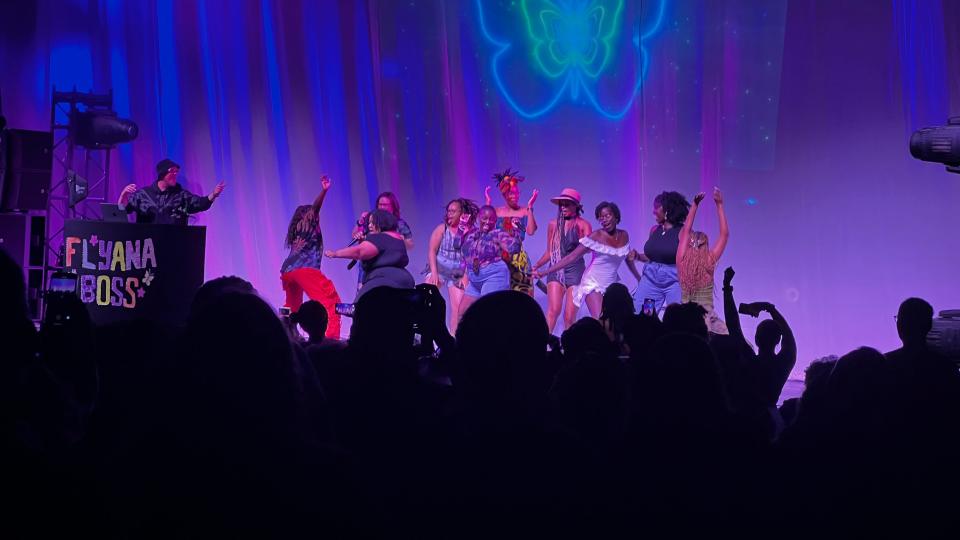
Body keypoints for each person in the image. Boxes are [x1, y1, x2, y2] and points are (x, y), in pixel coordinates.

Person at [534, 202, 640, 319]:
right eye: (601, 217)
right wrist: (545, 272)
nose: (604, 220)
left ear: (616, 216)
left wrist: (638, 277)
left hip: (611, 282)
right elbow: (571, 257)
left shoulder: (624, 235)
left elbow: (627, 258)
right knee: (600, 319)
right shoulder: (596, 236)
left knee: (614, 320)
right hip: (593, 282)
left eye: (607, 216)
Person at [722, 267, 797, 407]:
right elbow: (787, 332)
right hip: (768, 421)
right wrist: (769, 308)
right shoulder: (783, 364)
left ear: (756, 339)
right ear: (778, 340)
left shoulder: (749, 361)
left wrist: (727, 287)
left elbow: (733, 325)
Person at [279, 176, 342, 339]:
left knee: (292, 307)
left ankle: (287, 336)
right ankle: (331, 339)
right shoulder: (306, 222)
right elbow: (315, 209)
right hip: (304, 269)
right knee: (330, 301)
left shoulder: (297, 229)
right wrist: (324, 191)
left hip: (288, 272)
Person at [532, 188, 592, 334]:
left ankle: (569, 349)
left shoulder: (583, 225)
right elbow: (550, 252)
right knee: (553, 311)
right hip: (556, 269)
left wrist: (583, 239)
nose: (563, 207)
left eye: (567, 204)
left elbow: (590, 249)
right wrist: (537, 266)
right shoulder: (553, 224)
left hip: (575, 271)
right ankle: (543, 345)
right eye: (561, 205)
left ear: (576, 206)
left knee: (569, 316)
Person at [326, 209, 414, 299]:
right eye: (369, 223)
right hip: (405, 281)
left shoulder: (379, 238)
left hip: (384, 282)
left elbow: (359, 252)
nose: (370, 226)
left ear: (382, 222)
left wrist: (336, 253)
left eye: (373, 223)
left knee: (361, 305)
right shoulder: (397, 237)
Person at [676, 187, 729, 334]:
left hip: (686, 319)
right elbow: (724, 235)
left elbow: (686, 231)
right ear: (706, 245)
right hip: (704, 320)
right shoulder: (709, 260)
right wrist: (719, 205)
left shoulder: (681, 260)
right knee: (739, 345)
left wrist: (695, 205)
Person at [629, 191, 689, 315]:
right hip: (651, 282)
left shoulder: (682, 232)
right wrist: (638, 256)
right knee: (646, 315)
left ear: (667, 210)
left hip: (674, 283)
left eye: (657, 207)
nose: (654, 211)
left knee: (677, 318)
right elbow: (653, 257)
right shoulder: (654, 230)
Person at [425, 198, 479, 334]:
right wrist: (434, 273)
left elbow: (470, 256)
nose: (449, 214)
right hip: (440, 268)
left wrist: (464, 274)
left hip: (459, 271)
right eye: (448, 211)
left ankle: (455, 339)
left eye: (453, 211)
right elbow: (432, 250)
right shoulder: (442, 228)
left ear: (462, 213)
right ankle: (428, 337)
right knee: (427, 296)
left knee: (458, 308)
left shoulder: (470, 231)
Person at [457, 205, 521, 320]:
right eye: (484, 218)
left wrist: (516, 230)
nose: (487, 222)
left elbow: (514, 248)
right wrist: (461, 226)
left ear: (495, 220)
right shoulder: (472, 233)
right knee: (462, 314)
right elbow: (457, 246)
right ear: (478, 218)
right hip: (475, 279)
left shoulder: (497, 234)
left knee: (487, 314)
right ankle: (467, 338)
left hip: (494, 275)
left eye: (491, 219)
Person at [118, 158, 225, 224]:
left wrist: (213, 195)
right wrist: (123, 195)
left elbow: (200, 203)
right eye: (172, 171)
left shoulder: (180, 195)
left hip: (173, 246)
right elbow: (122, 211)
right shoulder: (143, 194)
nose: (175, 174)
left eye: (176, 172)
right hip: (147, 249)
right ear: (162, 174)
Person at [485, 168, 538, 295]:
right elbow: (486, 233)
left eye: (516, 192)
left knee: (524, 299)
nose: (514, 196)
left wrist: (530, 207)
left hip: (519, 260)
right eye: (510, 193)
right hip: (499, 260)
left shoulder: (525, 210)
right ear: (504, 195)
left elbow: (531, 231)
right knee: (501, 299)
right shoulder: (497, 211)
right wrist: (488, 205)